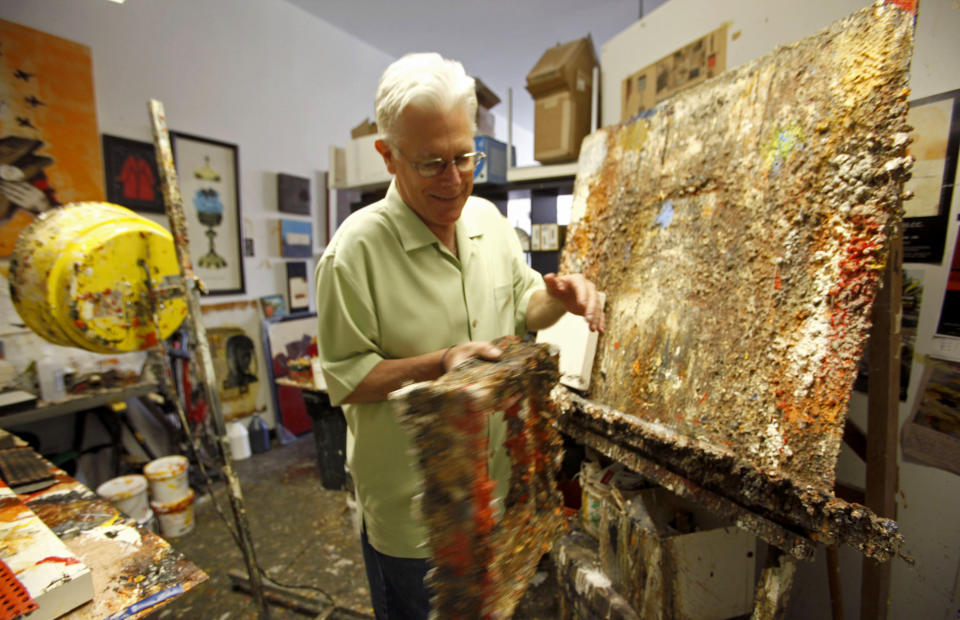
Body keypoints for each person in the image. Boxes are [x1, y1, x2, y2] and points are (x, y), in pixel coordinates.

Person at [315, 52, 604, 619]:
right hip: (417, 523)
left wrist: (558, 300)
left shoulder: (489, 224)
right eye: (431, 164)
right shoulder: (353, 254)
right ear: (388, 156)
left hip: (502, 500)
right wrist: (440, 362)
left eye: (464, 157)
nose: (454, 181)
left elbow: (525, 304)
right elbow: (347, 379)